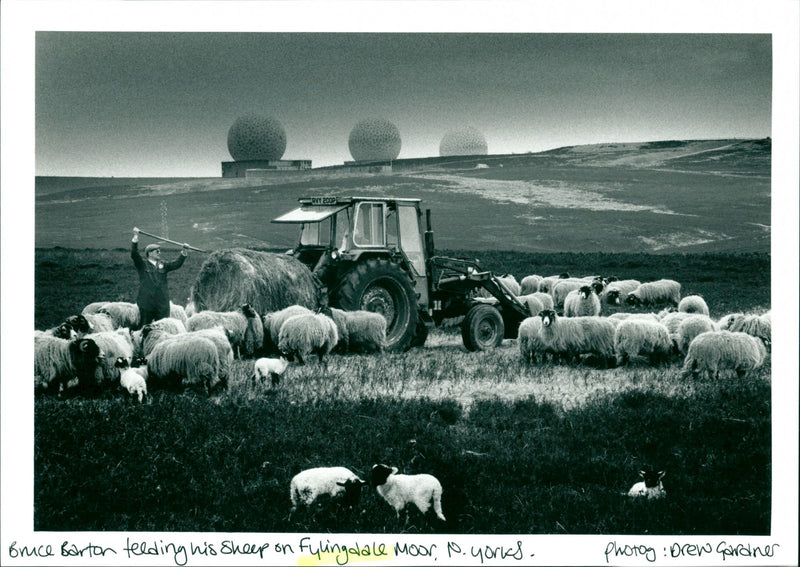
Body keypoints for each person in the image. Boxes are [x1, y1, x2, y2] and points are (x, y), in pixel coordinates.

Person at [131, 227, 189, 326]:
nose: (159, 253)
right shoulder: (142, 264)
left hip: (162, 303)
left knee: (163, 327)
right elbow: (134, 254)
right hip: (146, 303)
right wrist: (135, 236)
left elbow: (176, 264)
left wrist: (184, 251)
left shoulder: (164, 265)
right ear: (149, 253)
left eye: (159, 251)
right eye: (157, 251)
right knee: (145, 327)